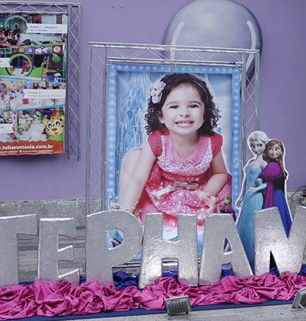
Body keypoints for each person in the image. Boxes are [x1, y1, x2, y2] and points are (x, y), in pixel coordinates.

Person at [116, 73, 232, 233]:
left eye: (193, 106)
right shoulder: (157, 141)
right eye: (174, 106)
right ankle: (126, 216)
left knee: (215, 214)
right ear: (160, 116)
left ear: (205, 114)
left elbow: (220, 173)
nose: (184, 113)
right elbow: (138, 179)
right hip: (164, 193)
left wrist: (205, 193)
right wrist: (126, 213)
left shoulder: (211, 142)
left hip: (198, 191)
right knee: (134, 157)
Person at [235, 130, 269, 258]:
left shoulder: (264, 164)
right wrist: (242, 196)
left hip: (256, 197)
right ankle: (243, 256)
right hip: (248, 197)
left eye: (259, 145)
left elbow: (269, 183)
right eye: (253, 146)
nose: (256, 149)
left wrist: (257, 189)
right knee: (245, 223)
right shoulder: (251, 162)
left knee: (252, 224)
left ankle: (254, 257)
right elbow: (246, 180)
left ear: (265, 145)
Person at [260, 138, 292, 233]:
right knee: (281, 217)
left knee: (276, 218)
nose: (273, 152)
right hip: (280, 195)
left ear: (281, 151)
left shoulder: (272, 165)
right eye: (270, 149)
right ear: (267, 151)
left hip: (275, 196)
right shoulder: (278, 165)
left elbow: (263, 176)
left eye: (276, 149)